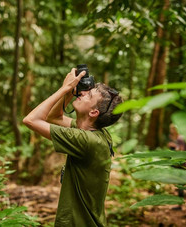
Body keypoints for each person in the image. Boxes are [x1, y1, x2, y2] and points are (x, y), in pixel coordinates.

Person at [23, 68, 123, 227]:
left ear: (93, 112)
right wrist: (70, 93)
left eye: (89, 95)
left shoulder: (87, 141)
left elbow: (31, 120)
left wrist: (64, 88)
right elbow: (54, 117)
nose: (83, 93)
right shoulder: (98, 133)